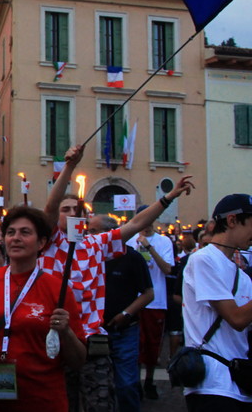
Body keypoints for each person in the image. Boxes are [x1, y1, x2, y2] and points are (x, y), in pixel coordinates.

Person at [44, 144, 194, 411]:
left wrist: (169, 196)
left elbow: (136, 223)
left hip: (92, 341)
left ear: (86, 217)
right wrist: (70, 166)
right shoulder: (48, 244)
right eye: (65, 210)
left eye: (77, 209)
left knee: (101, 405)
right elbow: (49, 206)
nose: (72, 213)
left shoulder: (97, 244)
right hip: (57, 338)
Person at [0, 206, 86, 411]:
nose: (16, 238)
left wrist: (66, 332)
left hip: (42, 401)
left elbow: (78, 360)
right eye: (11, 232)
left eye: (25, 232)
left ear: (41, 243)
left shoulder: (58, 289)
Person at [182, 193, 252, 410]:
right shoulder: (203, 260)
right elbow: (236, 318)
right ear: (232, 220)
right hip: (211, 385)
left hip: (239, 384)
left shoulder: (242, 276)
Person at [94, 214, 154, 412]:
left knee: (126, 384)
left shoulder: (132, 257)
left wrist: (126, 314)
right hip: (96, 332)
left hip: (124, 331)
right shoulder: (89, 257)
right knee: (98, 386)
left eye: (94, 231)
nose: (89, 236)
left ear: (110, 233)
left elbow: (148, 294)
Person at [126, 206, 175, 400]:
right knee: (136, 345)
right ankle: (136, 382)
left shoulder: (164, 241)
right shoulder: (130, 240)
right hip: (134, 301)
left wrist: (149, 248)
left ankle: (149, 381)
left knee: (153, 345)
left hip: (156, 301)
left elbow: (167, 269)